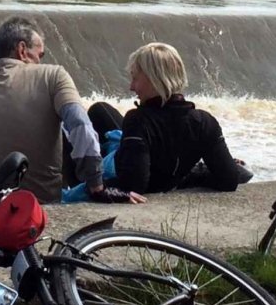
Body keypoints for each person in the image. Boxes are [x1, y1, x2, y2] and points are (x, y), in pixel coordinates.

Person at [0, 17, 144, 205]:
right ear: (22, 50)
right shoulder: (53, 76)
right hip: (41, 199)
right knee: (64, 125)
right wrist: (96, 186)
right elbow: (80, 125)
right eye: (40, 54)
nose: (40, 60)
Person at [82, 42, 248, 197]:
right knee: (100, 109)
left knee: (84, 124)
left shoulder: (139, 121)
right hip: (171, 170)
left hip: (135, 165)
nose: (131, 87)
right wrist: (193, 173)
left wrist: (97, 187)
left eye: (135, 78)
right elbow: (229, 179)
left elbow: (134, 185)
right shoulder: (204, 122)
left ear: (154, 79)